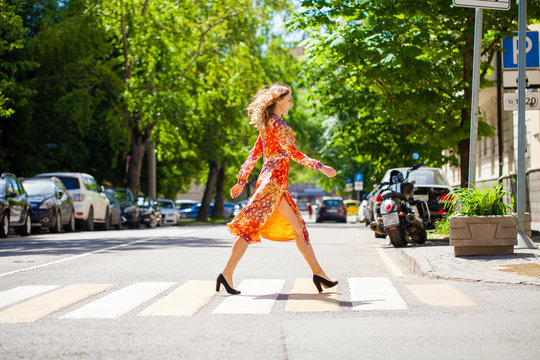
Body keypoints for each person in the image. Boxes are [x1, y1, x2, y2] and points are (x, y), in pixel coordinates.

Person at [216, 83, 338, 295]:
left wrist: (242, 180)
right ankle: (226, 274)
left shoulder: (266, 125)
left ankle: (319, 274)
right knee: (250, 229)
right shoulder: (279, 125)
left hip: (274, 184)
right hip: (272, 184)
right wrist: (321, 167)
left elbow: (254, 156)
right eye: (289, 100)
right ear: (279, 100)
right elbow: (295, 154)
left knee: (299, 228)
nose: (291, 103)